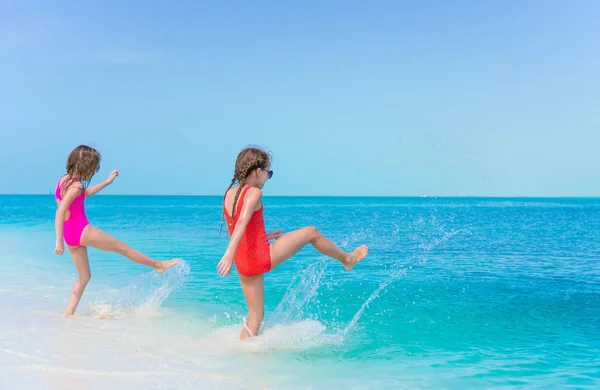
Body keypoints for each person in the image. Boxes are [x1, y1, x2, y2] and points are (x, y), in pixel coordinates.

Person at [218, 146, 368, 339]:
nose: (267, 178)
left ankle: (243, 354)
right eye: (268, 173)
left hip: (243, 261)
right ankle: (347, 259)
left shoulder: (229, 194)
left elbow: (238, 226)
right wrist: (228, 254)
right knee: (311, 232)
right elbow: (240, 223)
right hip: (257, 257)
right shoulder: (253, 193)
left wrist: (262, 236)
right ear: (257, 172)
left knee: (255, 318)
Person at [54, 145, 178, 316]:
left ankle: (68, 314)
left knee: (84, 277)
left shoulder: (64, 181)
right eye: (95, 167)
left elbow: (82, 195)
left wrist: (106, 182)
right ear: (86, 166)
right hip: (81, 230)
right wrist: (58, 240)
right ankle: (158, 265)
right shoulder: (76, 187)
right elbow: (60, 211)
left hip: (70, 235)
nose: (95, 171)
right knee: (123, 248)